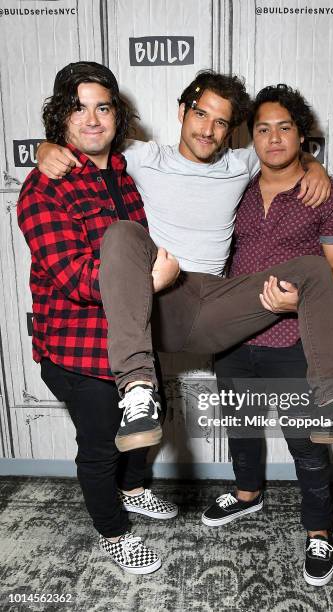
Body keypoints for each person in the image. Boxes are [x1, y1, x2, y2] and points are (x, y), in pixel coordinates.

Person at [37, 69, 333, 455]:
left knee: (314, 268)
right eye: (201, 114)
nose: (208, 130)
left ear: (230, 130)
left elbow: (283, 146)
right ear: (182, 111)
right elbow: (89, 140)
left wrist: (315, 167)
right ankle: (137, 392)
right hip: (163, 304)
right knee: (120, 232)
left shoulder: (242, 163)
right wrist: (46, 148)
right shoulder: (141, 155)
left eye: (221, 122)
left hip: (216, 306)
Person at [17, 62, 181, 575]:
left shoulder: (125, 175)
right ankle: (113, 533)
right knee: (101, 442)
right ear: (60, 119)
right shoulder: (43, 188)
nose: (91, 119)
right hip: (76, 347)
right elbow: (75, 277)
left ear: (117, 115)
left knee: (144, 423)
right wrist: (156, 281)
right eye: (77, 107)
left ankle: (132, 491)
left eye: (102, 107)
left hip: (130, 335)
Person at [201, 84, 333, 586]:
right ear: (251, 136)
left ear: (302, 134)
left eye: (283, 127)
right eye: (262, 129)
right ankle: (248, 493)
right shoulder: (234, 185)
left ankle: (318, 530)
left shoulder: (329, 197)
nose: (272, 138)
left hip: (294, 340)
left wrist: (300, 300)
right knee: (241, 428)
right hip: (234, 338)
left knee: (307, 444)